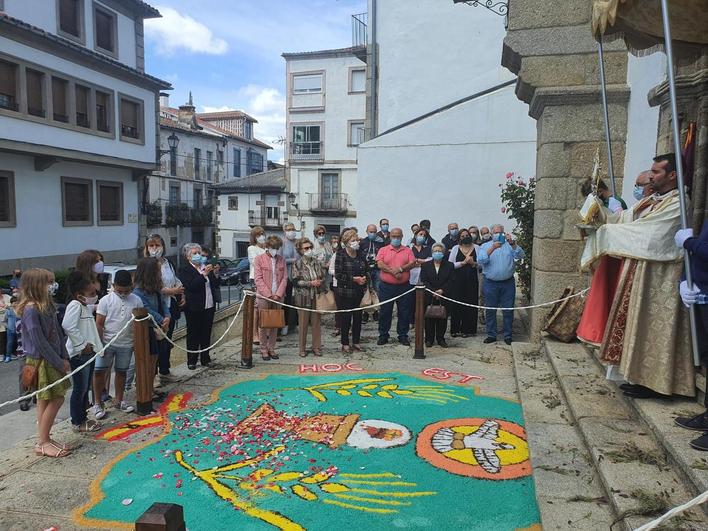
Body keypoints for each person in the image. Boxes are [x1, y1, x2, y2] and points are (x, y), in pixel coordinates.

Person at [581, 153, 694, 399]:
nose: (651, 175)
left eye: (656, 172)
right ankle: (637, 377)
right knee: (636, 328)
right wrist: (597, 209)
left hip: (659, 277)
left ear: (672, 175)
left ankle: (659, 384)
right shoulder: (650, 200)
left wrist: (606, 233)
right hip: (638, 272)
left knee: (653, 332)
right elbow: (621, 219)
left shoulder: (678, 203)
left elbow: (649, 235)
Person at [577, 170, 654, 347]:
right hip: (611, 252)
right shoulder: (610, 201)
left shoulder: (614, 202)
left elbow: (617, 222)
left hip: (616, 253)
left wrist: (598, 220)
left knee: (607, 292)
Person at [17, 269, 71, 457]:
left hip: (54, 358)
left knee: (44, 400)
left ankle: (45, 437)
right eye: (49, 282)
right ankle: (43, 441)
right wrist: (58, 362)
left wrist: (64, 356)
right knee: (56, 397)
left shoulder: (47, 305)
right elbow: (39, 342)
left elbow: (58, 331)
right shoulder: (31, 310)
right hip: (43, 361)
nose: (53, 286)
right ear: (38, 285)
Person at [673, 222, 708, 450]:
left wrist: (689, 242)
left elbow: (699, 248)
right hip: (702, 294)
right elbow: (696, 255)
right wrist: (685, 280)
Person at [93, 270, 140, 416]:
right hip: (107, 342)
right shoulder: (105, 300)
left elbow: (139, 323)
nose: (123, 294)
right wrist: (100, 345)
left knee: (121, 372)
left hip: (126, 343)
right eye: (120, 291)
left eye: (127, 291)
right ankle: (97, 403)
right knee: (99, 372)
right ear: (113, 286)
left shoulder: (136, 300)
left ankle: (119, 400)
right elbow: (99, 323)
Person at [62, 271, 103, 431]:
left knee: (85, 387)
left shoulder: (84, 306)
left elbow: (93, 307)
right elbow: (67, 325)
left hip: (88, 353)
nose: (94, 295)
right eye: (91, 294)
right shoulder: (75, 306)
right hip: (80, 356)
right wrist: (81, 345)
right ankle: (77, 421)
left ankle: (83, 417)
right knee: (80, 388)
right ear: (80, 296)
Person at [144, 234, 184, 381]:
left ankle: (165, 370)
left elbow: (174, 279)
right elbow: (152, 285)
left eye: (158, 245)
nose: (155, 249)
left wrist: (180, 290)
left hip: (170, 304)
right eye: (152, 246)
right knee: (156, 341)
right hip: (157, 306)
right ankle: (153, 375)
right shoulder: (148, 265)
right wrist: (171, 291)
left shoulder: (168, 262)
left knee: (168, 340)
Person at [477, 224, 525, 345]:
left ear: (504, 233)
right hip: (490, 283)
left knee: (508, 309)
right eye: (496, 232)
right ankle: (491, 334)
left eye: (500, 232)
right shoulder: (485, 246)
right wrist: (492, 248)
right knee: (490, 309)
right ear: (492, 234)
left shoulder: (509, 245)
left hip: (507, 283)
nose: (498, 234)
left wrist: (513, 243)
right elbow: (481, 260)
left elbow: (520, 256)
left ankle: (508, 335)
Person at [178, 244, 219, 370]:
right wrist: (203, 275)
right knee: (193, 334)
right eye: (194, 253)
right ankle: (192, 360)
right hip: (194, 307)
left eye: (199, 253)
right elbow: (190, 286)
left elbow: (215, 284)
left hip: (209, 305)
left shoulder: (205, 267)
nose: (198, 256)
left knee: (206, 333)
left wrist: (215, 274)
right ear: (188, 256)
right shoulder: (184, 269)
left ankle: (205, 358)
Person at [376, 228, 417, 346]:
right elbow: (380, 263)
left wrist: (400, 269)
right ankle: (383, 335)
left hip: (404, 287)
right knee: (385, 311)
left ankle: (403, 335)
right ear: (390, 237)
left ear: (402, 236)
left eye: (398, 236)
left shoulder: (408, 250)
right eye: (393, 236)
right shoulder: (384, 249)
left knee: (404, 311)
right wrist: (393, 272)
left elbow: (412, 263)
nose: (396, 238)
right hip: (386, 287)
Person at [254, 235, 287, 360]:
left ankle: (272, 348)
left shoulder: (281, 260)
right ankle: (263, 349)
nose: (275, 250)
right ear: (267, 247)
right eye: (273, 248)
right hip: (264, 297)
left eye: (277, 248)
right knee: (263, 324)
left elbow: (284, 278)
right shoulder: (259, 259)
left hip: (278, 296)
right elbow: (258, 279)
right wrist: (268, 294)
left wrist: (278, 294)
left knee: (275, 323)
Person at [335, 229, 368, 352]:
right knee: (346, 318)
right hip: (345, 292)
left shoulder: (360, 254)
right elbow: (338, 275)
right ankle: (345, 343)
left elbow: (366, 269)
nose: (356, 242)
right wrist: (354, 279)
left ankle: (356, 341)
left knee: (358, 318)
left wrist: (365, 278)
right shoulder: (341, 254)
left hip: (359, 292)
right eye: (353, 240)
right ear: (347, 242)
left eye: (357, 240)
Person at [292, 238, 326, 357]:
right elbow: (295, 281)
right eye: (306, 248)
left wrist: (320, 281)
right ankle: (302, 348)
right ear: (300, 250)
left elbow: (323, 276)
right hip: (303, 297)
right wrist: (310, 283)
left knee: (316, 323)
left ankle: (316, 347)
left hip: (316, 296)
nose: (309, 250)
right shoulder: (297, 263)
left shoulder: (316, 262)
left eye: (310, 247)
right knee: (303, 324)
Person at [420, 243, 454, 348]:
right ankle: (429, 339)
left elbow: (451, 280)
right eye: (435, 251)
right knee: (429, 317)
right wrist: (433, 291)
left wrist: (442, 291)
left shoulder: (449, 265)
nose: (437, 253)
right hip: (429, 295)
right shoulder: (425, 265)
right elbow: (424, 280)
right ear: (432, 253)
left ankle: (441, 338)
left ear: (443, 253)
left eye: (440, 251)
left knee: (442, 317)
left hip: (444, 295)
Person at [448, 228, 480, 338]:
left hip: (472, 280)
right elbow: (450, 265)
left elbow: (481, 264)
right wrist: (463, 263)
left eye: (467, 235)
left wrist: (473, 263)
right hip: (457, 280)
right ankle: (455, 329)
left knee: (471, 303)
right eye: (462, 236)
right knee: (456, 304)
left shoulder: (477, 248)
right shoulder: (455, 248)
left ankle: (469, 330)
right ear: (459, 238)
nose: (465, 237)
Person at [248, 226, 267, 344]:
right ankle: (255, 334)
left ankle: (264, 333)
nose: (261, 237)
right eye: (258, 235)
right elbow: (255, 262)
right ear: (254, 237)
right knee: (256, 307)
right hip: (256, 278)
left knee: (265, 307)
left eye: (262, 234)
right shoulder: (252, 248)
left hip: (267, 280)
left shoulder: (267, 248)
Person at [279, 222, 299, 336]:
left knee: (298, 300)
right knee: (285, 301)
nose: (291, 231)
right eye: (289, 229)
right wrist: (292, 260)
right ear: (284, 231)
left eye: (293, 229)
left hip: (298, 275)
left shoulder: (297, 242)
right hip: (286, 276)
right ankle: (284, 325)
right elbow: (280, 260)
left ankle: (295, 324)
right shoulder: (282, 243)